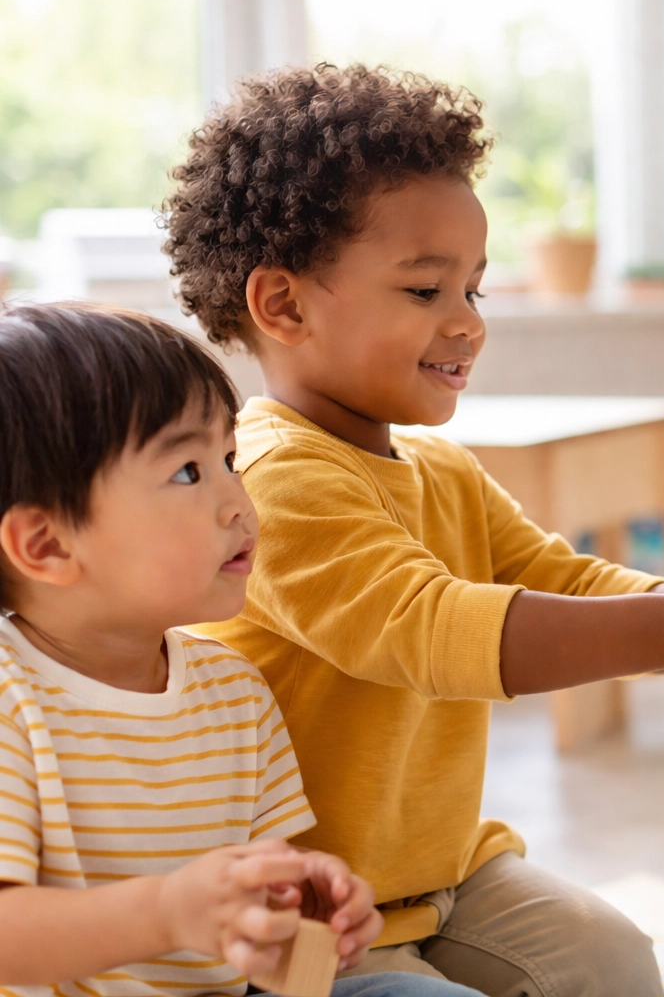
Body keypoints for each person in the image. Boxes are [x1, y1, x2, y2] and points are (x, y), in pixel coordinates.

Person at [161, 63, 664, 997]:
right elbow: (432, 628)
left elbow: (560, 579)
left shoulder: (442, 470)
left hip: (442, 871)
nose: (467, 325)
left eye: (473, 291)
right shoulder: (271, 478)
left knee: (612, 958)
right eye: (424, 291)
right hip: (307, 918)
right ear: (284, 305)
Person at [0, 303, 485, 997]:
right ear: (46, 544)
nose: (240, 500)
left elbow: (267, 935)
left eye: (228, 460)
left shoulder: (234, 691)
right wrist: (167, 912)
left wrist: (305, 910)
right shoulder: (11, 699)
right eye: (187, 472)